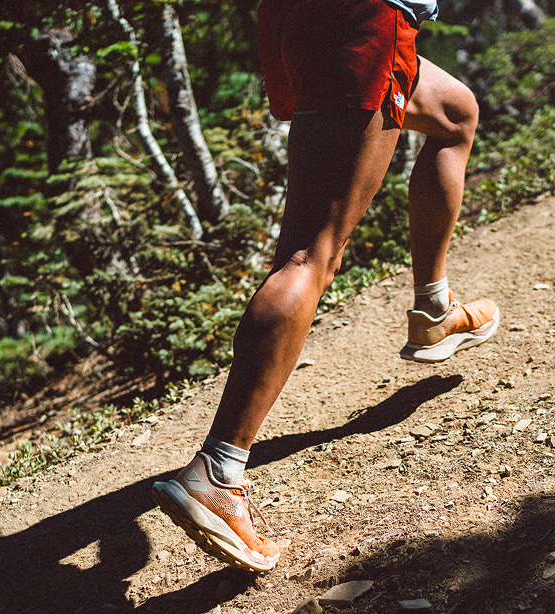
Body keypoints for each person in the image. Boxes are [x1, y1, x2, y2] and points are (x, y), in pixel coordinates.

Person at [152, 0, 499, 573]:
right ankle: (217, 472)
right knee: (313, 251)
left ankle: (434, 309)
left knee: (455, 112)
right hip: (365, 20)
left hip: (299, 19)